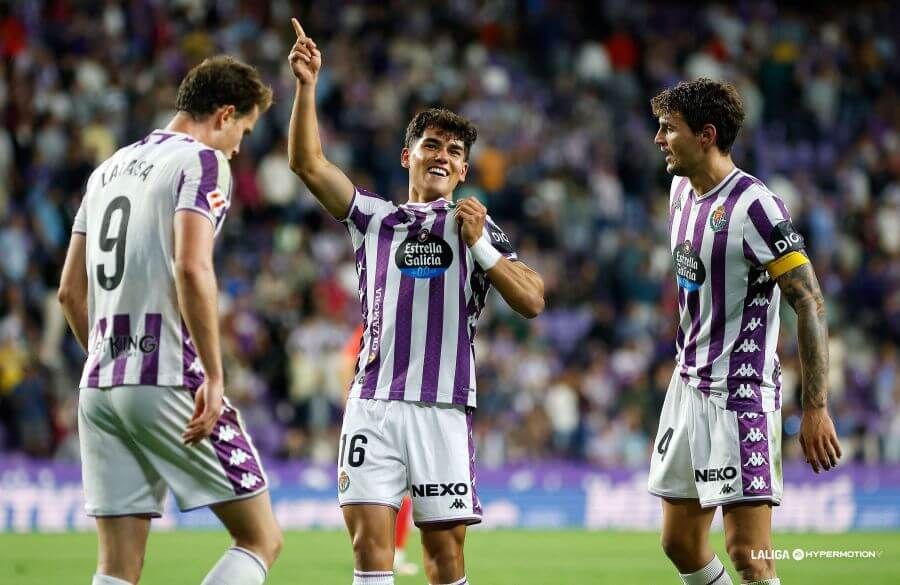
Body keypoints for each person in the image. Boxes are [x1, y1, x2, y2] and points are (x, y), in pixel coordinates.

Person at [286, 17, 545, 585]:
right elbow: (308, 164)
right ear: (408, 156)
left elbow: (532, 300)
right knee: (369, 549)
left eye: (454, 150)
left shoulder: (476, 226)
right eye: (431, 145)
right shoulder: (373, 219)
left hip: (442, 408)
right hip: (373, 405)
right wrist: (306, 86)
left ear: (464, 169)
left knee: (445, 557)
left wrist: (480, 247)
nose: (443, 155)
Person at [57, 56, 282, 585]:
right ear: (225, 115)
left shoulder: (107, 169)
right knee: (260, 538)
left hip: (100, 386)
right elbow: (191, 266)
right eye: (244, 131)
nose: (239, 147)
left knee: (117, 567)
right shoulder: (203, 161)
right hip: (166, 378)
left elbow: (69, 291)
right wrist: (214, 375)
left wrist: (109, 360)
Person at [647, 78, 843, 585]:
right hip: (687, 386)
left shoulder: (756, 206)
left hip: (739, 396)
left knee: (750, 556)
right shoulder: (679, 192)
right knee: (679, 542)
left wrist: (815, 406)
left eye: (669, 128)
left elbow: (809, 301)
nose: (659, 139)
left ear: (706, 135)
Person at [340, 325, 419, 577]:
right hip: (379, 413)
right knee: (394, 490)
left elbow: (345, 362)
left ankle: (384, 553)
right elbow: (345, 362)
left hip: (390, 411)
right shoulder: (380, 321)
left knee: (397, 491)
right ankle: (387, 554)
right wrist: (351, 400)